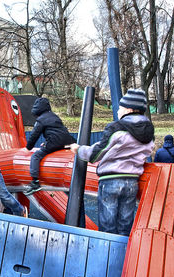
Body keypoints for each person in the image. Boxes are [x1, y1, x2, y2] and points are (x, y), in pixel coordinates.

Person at [69, 88, 154, 235]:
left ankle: (108, 257)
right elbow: (148, 151)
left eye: (121, 107)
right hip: (132, 182)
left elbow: (96, 154)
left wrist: (79, 149)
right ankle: (123, 256)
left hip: (110, 181)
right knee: (125, 227)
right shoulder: (149, 132)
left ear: (129, 109)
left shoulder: (116, 127)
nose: (118, 111)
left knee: (107, 227)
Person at [24, 97, 75, 195]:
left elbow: (34, 135)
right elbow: (59, 131)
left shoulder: (41, 120)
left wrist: (28, 148)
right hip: (68, 141)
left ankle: (35, 182)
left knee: (36, 156)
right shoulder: (55, 116)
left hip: (55, 142)